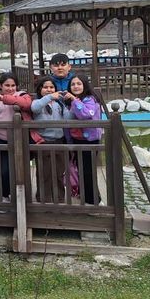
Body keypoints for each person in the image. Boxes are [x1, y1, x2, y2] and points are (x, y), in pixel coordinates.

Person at [0, 73, 41, 200]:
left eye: (13, 85)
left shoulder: (22, 96)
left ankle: (23, 197)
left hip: (21, 140)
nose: (10, 88)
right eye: (7, 85)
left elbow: (26, 104)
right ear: (1, 86)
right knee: (3, 170)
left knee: (21, 169)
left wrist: (3, 98)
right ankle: (5, 195)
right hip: (1, 140)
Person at [30, 76, 73, 203]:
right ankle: (44, 198)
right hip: (43, 141)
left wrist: (69, 102)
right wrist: (49, 97)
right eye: (45, 87)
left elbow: (68, 118)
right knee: (44, 172)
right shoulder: (38, 102)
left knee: (59, 172)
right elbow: (34, 108)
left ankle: (59, 197)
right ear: (40, 89)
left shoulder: (59, 104)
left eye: (51, 87)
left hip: (59, 140)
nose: (49, 89)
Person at [65, 75, 103, 205]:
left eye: (79, 83)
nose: (76, 86)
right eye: (73, 84)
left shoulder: (89, 99)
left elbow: (86, 115)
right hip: (78, 140)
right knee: (81, 170)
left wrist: (74, 100)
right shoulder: (77, 100)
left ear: (85, 85)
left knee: (88, 171)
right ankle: (87, 197)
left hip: (90, 141)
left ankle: (93, 201)